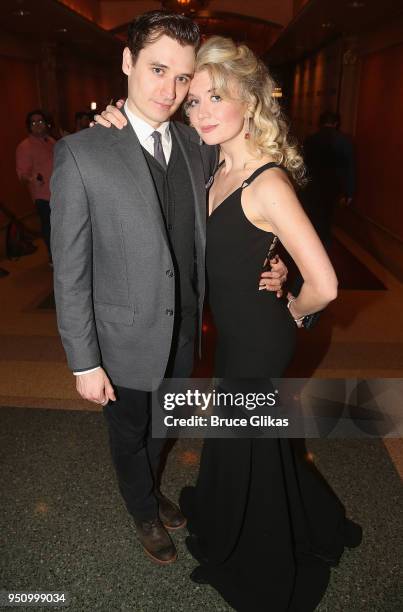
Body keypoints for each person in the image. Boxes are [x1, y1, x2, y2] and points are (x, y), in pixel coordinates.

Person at [98, 35, 362, 612]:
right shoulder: (210, 160)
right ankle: (285, 515)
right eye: (194, 100)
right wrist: (115, 120)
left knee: (249, 442)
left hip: (261, 341)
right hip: (233, 335)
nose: (203, 111)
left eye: (218, 97)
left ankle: (264, 558)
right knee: (251, 440)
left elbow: (328, 284)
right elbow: (151, 139)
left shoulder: (266, 180)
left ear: (250, 101)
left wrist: (293, 303)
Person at [50, 11, 286, 569]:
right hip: (122, 339)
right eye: (158, 69)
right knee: (130, 434)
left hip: (185, 332)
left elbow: (248, 196)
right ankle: (142, 508)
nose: (171, 90)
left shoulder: (195, 141)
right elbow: (70, 270)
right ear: (127, 62)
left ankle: (152, 489)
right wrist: (84, 362)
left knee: (167, 422)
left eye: (183, 78)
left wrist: (279, 262)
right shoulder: (82, 153)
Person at [302, 110, 355, 248]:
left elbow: (303, 163)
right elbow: (349, 167)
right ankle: (324, 244)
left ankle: (312, 242)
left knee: (313, 214)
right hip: (333, 186)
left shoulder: (311, 139)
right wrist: (349, 191)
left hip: (313, 184)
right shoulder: (344, 141)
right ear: (336, 123)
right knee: (327, 215)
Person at [16, 109, 55, 260]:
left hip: (59, 193)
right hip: (43, 195)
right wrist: (33, 178)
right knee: (49, 227)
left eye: (40, 121)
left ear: (46, 124)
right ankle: (53, 257)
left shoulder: (51, 141)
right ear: (29, 126)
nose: (38, 125)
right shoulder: (24, 146)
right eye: (34, 123)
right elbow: (21, 174)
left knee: (61, 227)